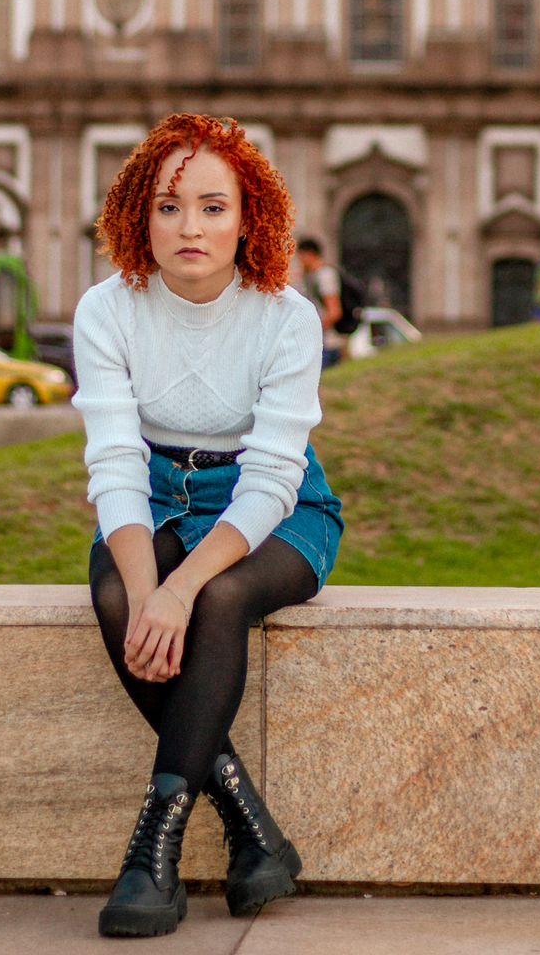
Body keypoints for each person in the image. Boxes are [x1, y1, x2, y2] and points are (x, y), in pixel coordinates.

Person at [74, 113, 343, 939]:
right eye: (168, 206)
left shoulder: (288, 318)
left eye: (213, 207)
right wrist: (151, 588)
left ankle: (150, 852)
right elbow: (115, 463)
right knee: (120, 593)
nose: (190, 227)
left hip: (281, 508)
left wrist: (183, 587)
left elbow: (269, 478)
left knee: (218, 601)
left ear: (247, 218)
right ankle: (250, 826)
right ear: (137, 217)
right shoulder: (106, 310)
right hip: (156, 490)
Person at [296, 237, 344, 368]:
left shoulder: (325, 275)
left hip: (328, 344)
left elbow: (334, 311)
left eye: (301, 256)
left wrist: (312, 332)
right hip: (318, 344)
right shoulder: (310, 276)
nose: (300, 261)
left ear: (309, 254)